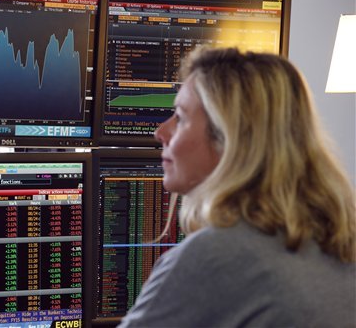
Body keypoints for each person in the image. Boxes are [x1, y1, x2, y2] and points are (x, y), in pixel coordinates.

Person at [118, 47, 356, 327]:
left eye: (180, 118)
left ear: (229, 140)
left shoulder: (214, 256)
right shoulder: (338, 244)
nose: (161, 133)